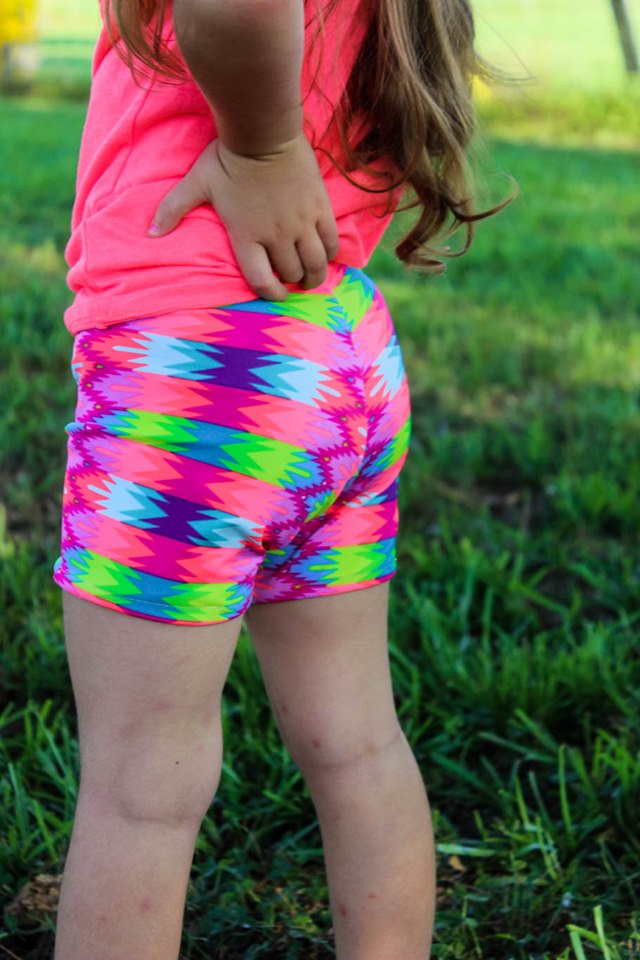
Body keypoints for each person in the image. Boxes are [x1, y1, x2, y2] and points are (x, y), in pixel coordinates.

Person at [51, 0, 505, 957]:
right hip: (340, 347)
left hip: (200, 369)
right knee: (358, 743)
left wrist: (261, 150)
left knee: (141, 789)